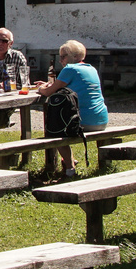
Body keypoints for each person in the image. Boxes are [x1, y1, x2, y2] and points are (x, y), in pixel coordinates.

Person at [34, 39, 111, 180]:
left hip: (84, 121)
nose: (61, 60)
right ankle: (70, 162)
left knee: (55, 131)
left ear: (74, 57)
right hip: (101, 119)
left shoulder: (70, 69)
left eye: (63, 56)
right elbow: (66, 84)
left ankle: (69, 169)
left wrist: (40, 88)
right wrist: (50, 84)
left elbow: (47, 92)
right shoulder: (91, 68)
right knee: (61, 126)